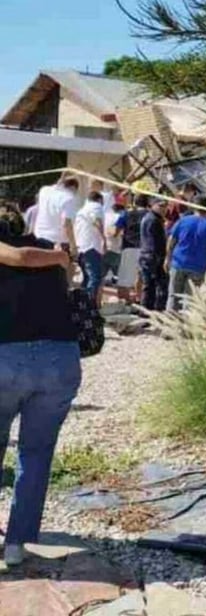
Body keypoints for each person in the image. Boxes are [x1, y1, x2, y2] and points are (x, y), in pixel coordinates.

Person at [0, 205, 81, 567]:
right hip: (60, 359)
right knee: (36, 452)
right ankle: (17, 543)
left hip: (6, 358)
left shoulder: (16, 253)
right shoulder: (51, 252)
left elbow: (17, 257)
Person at [165, 202, 206, 312]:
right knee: (189, 300)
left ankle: (169, 324)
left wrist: (167, 258)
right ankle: (185, 326)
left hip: (178, 263)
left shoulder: (183, 221)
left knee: (173, 296)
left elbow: (171, 240)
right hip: (198, 267)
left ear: (194, 208)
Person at [33, 176, 80, 260]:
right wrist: (73, 246)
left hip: (39, 236)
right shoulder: (69, 198)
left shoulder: (44, 190)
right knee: (59, 270)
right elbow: (67, 224)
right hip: (57, 242)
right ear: (73, 188)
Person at [73, 192, 107, 305]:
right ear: (100, 200)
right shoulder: (97, 207)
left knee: (87, 277)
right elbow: (97, 221)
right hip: (92, 246)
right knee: (95, 277)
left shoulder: (81, 211)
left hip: (81, 246)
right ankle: (90, 304)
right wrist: (104, 239)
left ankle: (82, 304)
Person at [139, 198, 169, 311]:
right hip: (152, 257)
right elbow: (156, 242)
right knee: (152, 286)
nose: (164, 209)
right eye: (161, 206)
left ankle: (149, 310)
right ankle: (148, 311)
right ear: (153, 205)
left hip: (149, 256)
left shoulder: (152, 218)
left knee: (151, 286)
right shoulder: (153, 220)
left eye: (165, 206)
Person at [101, 195, 127, 290]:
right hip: (117, 249)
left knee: (100, 278)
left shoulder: (105, 215)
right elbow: (120, 233)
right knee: (121, 277)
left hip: (103, 247)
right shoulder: (122, 217)